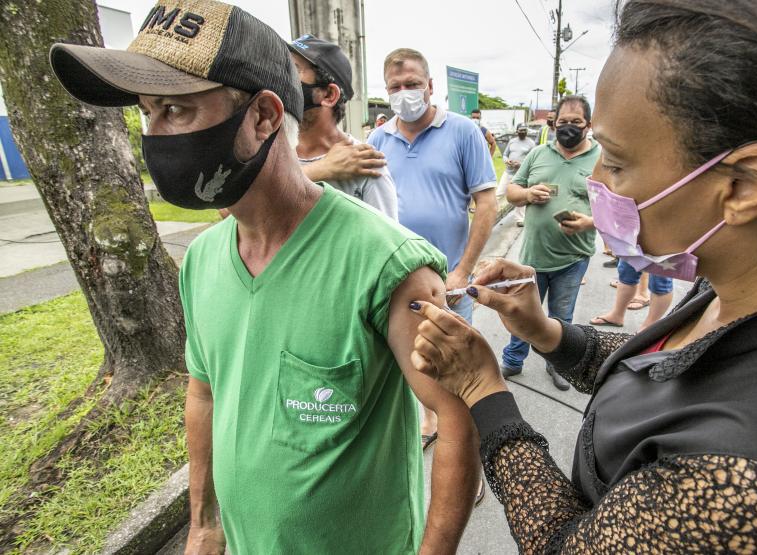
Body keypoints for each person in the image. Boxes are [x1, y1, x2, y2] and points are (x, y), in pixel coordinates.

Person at [408, 0, 757, 552]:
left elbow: (566, 545)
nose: (596, 177)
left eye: (618, 163)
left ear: (746, 188)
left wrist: (484, 389)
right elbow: (669, 369)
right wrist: (547, 332)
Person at [49, 2, 479, 552]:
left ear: (264, 116)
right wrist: (204, 523)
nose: (154, 137)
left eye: (176, 111)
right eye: (147, 113)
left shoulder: (387, 265)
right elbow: (205, 393)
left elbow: (455, 415)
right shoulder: (203, 261)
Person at [368, 47, 498, 450]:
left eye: (411, 84)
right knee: (413, 362)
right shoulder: (377, 138)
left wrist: (462, 270)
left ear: (430, 86)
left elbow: (487, 204)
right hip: (396, 282)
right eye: (395, 87)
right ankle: (429, 421)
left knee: (458, 368)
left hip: (450, 279)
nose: (404, 92)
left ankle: (468, 458)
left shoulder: (462, 131)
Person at [501, 95, 600, 390]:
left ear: (588, 125)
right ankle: (513, 360)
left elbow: (615, 208)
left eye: (576, 123)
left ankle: (558, 364)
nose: (568, 128)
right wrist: (529, 194)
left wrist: (588, 222)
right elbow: (512, 191)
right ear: (554, 123)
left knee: (561, 317)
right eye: (563, 122)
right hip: (533, 256)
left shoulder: (601, 160)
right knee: (521, 312)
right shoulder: (538, 154)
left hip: (573, 258)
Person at [288, 34, 398, 219]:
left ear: (329, 95)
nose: (282, 79)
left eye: (294, 70)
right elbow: (231, 211)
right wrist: (318, 170)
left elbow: (385, 244)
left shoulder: (365, 165)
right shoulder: (269, 149)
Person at [589, 259, 674, 331]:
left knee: (660, 281)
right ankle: (617, 315)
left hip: (666, 244)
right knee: (626, 272)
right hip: (636, 241)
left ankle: (649, 327)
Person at [498, 124, 536, 226]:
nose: (522, 132)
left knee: (520, 196)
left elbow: (533, 160)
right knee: (499, 193)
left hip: (521, 174)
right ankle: (491, 212)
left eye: (524, 130)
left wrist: (521, 165)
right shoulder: (512, 141)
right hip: (508, 172)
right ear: (517, 131)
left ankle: (520, 219)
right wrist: (507, 161)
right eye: (520, 130)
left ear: (527, 131)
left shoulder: (531, 143)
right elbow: (505, 154)